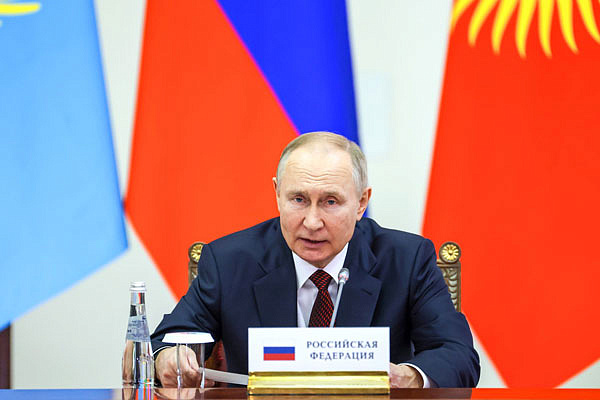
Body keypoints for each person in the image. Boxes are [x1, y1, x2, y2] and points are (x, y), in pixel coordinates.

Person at [151, 132, 480, 388]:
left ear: (361, 202)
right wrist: (168, 358)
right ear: (277, 194)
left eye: (330, 202)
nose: (311, 222)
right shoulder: (230, 261)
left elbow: (457, 354)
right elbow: (169, 339)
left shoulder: (406, 260)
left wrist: (409, 376)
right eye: (298, 199)